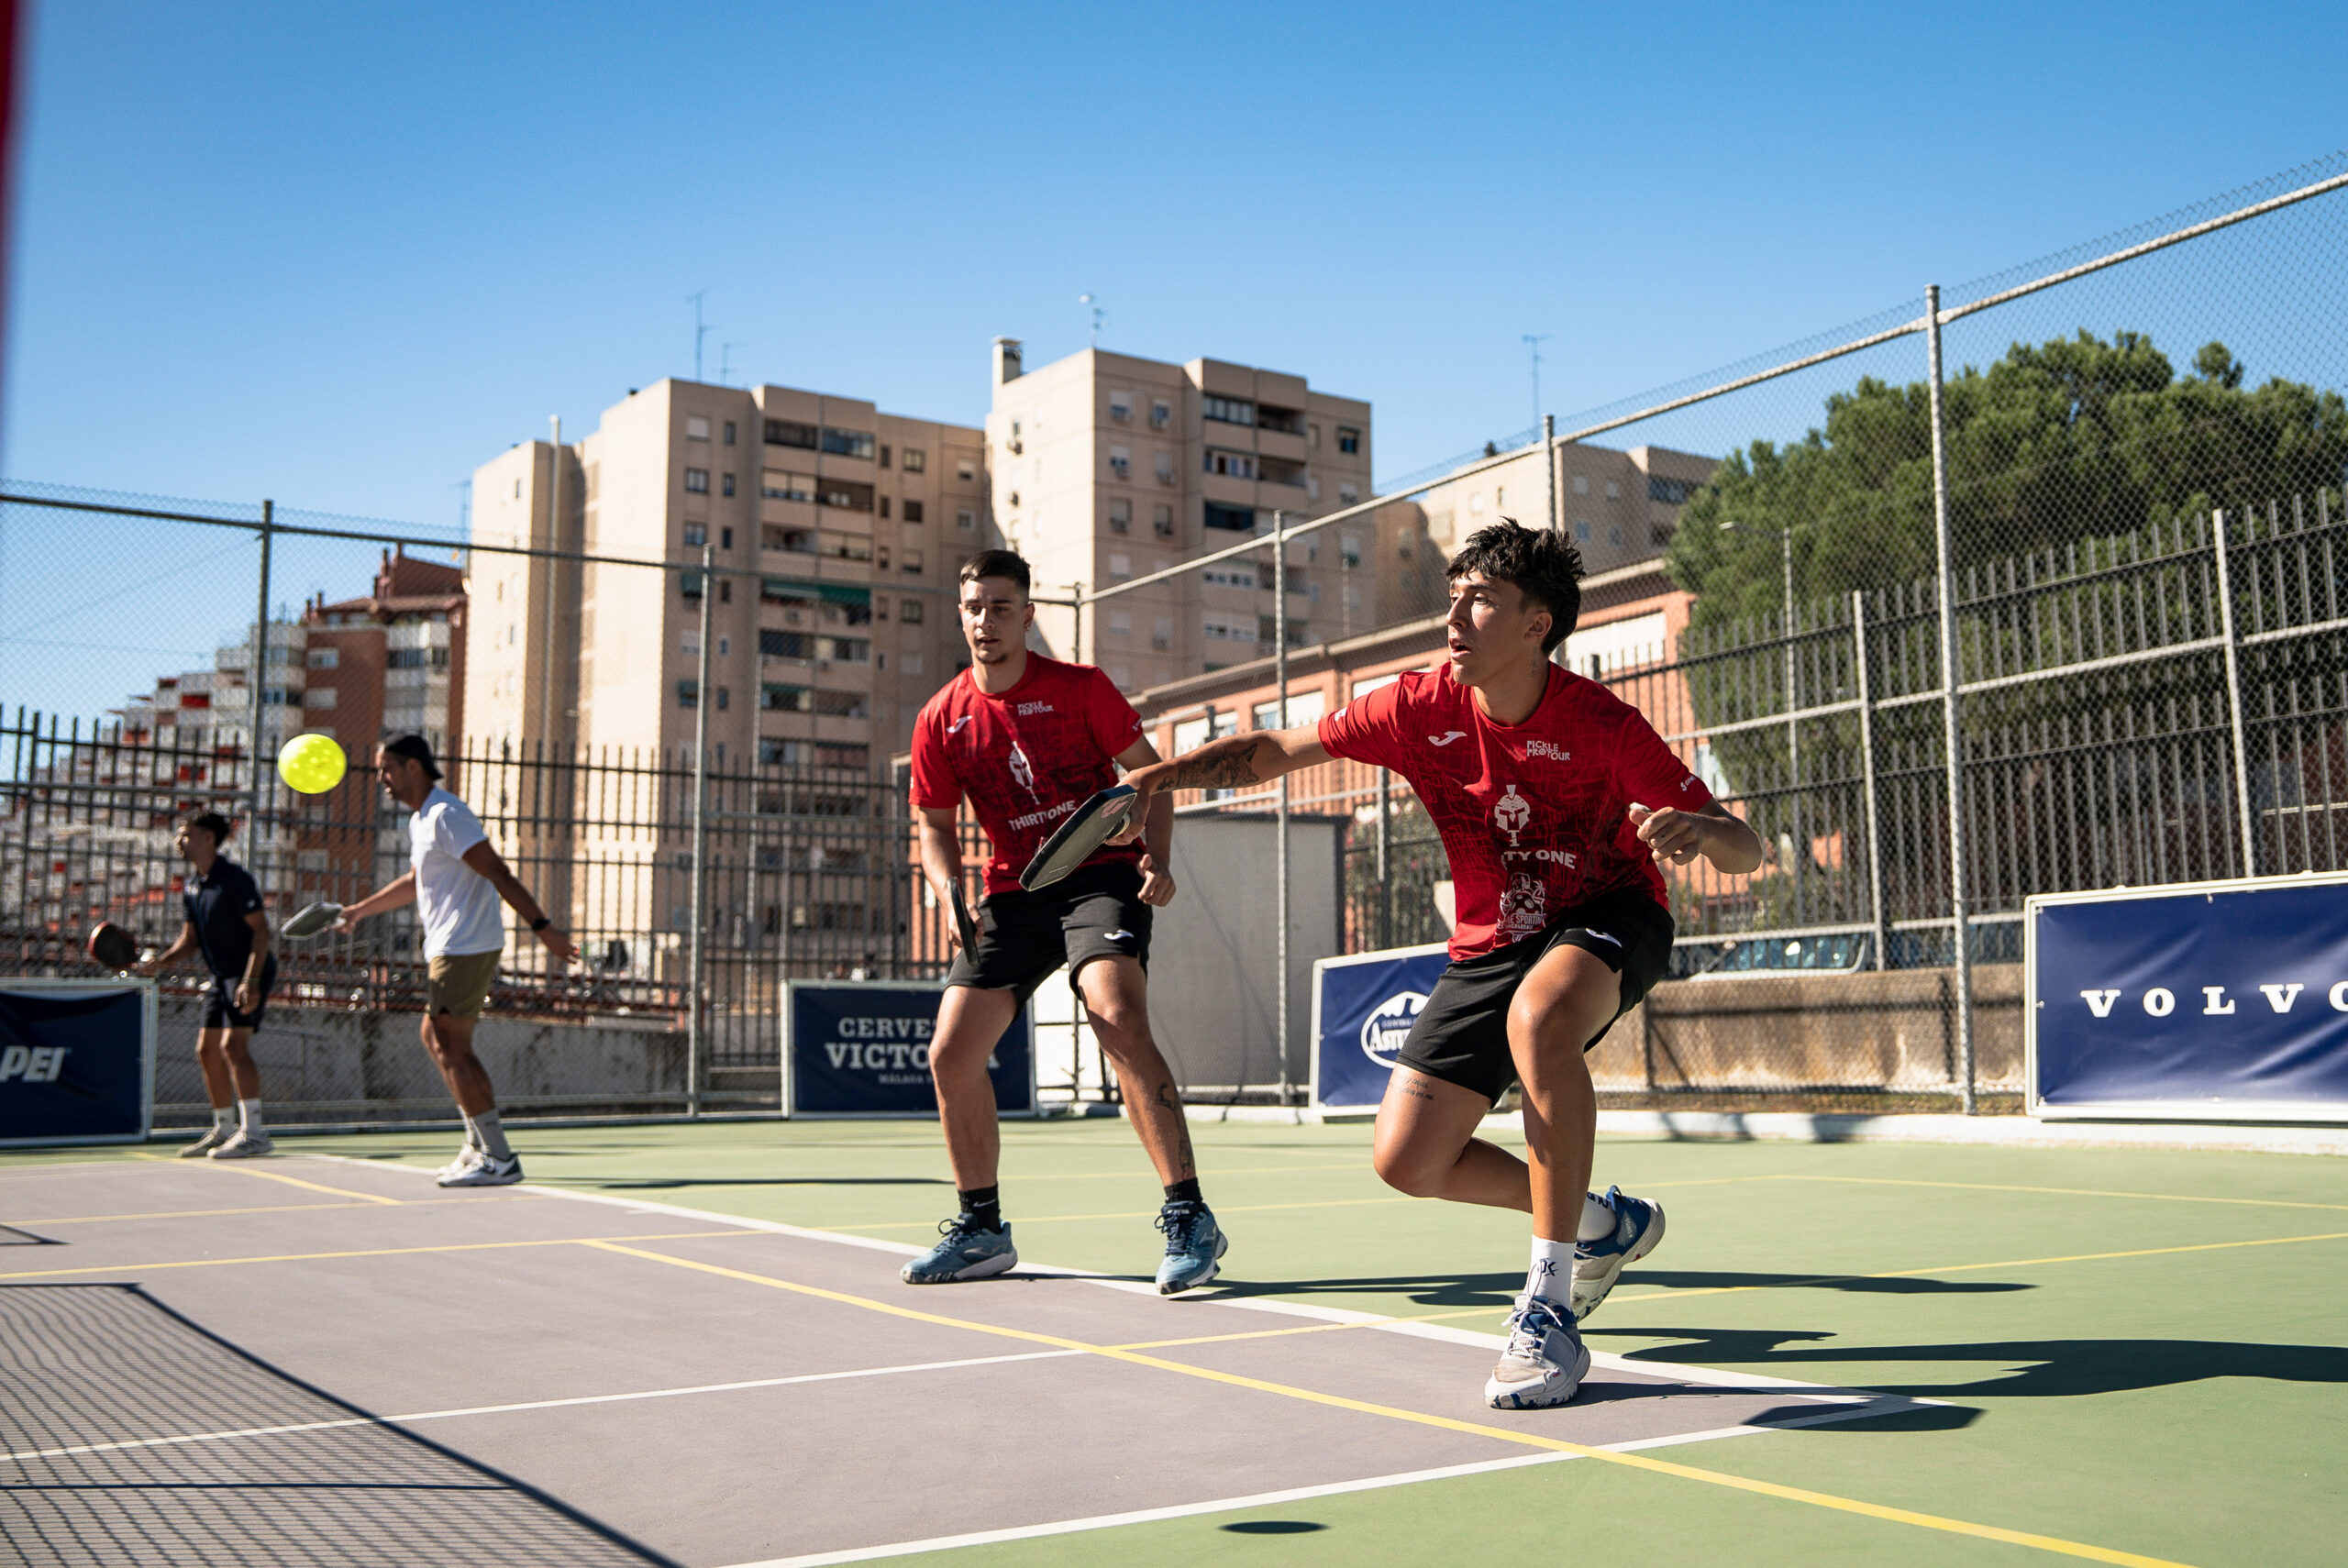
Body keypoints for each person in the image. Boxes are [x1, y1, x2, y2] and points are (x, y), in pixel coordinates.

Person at [1120, 520, 1763, 1407]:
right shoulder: (1416, 706)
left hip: (1611, 914)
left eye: (1481, 600)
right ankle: (1601, 1224)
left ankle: (1550, 1309)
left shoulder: (1602, 726)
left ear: (1538, 625)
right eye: (1452, 596)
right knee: (1408, 1160)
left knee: (1540, 1021)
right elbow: (1276, 751)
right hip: (1492, 939)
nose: (1454, 617)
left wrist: (1701, 831)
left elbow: (1746, 849)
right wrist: (1156, 780)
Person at [903, 548, 1226, 1294]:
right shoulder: (941, 719)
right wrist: (947, 887)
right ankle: (982, 1229)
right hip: (1014, 893)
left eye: (1001, 607)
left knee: (1114, 1011)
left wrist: (1158, 859)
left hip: (1099, 880)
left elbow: (1151, 780)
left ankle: (1190, 1216)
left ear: (1028, 614)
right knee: (951, 1051)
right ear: (962, 614)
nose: (986, 621)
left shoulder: (1081, 691)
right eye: (975, 607)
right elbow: (935, 829)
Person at [336, 735, 577, 1187]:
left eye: (386, 768)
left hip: (467, 943)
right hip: (449, 944)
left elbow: (497, 870)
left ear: (413, 767)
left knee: (452, 1045)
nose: (381, 780)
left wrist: (543, 927)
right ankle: (476, 1145)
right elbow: (417, 880)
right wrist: (359, 911)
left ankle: (500, 1158)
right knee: (435, 1037)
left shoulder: (447, 815)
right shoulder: (421, 821)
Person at [143, 811, 277, 1159]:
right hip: (220, 976)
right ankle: (224, 1129)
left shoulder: (235, 879)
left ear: (208, 839)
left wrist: (251, 979)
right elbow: (189, 941)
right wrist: (162, 961)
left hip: (249, 970)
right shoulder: (192, 885)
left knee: (234, 1047)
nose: (180, 840)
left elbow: (262, 932)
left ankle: (255, 1133)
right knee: (206, 1049)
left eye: (187, 834)